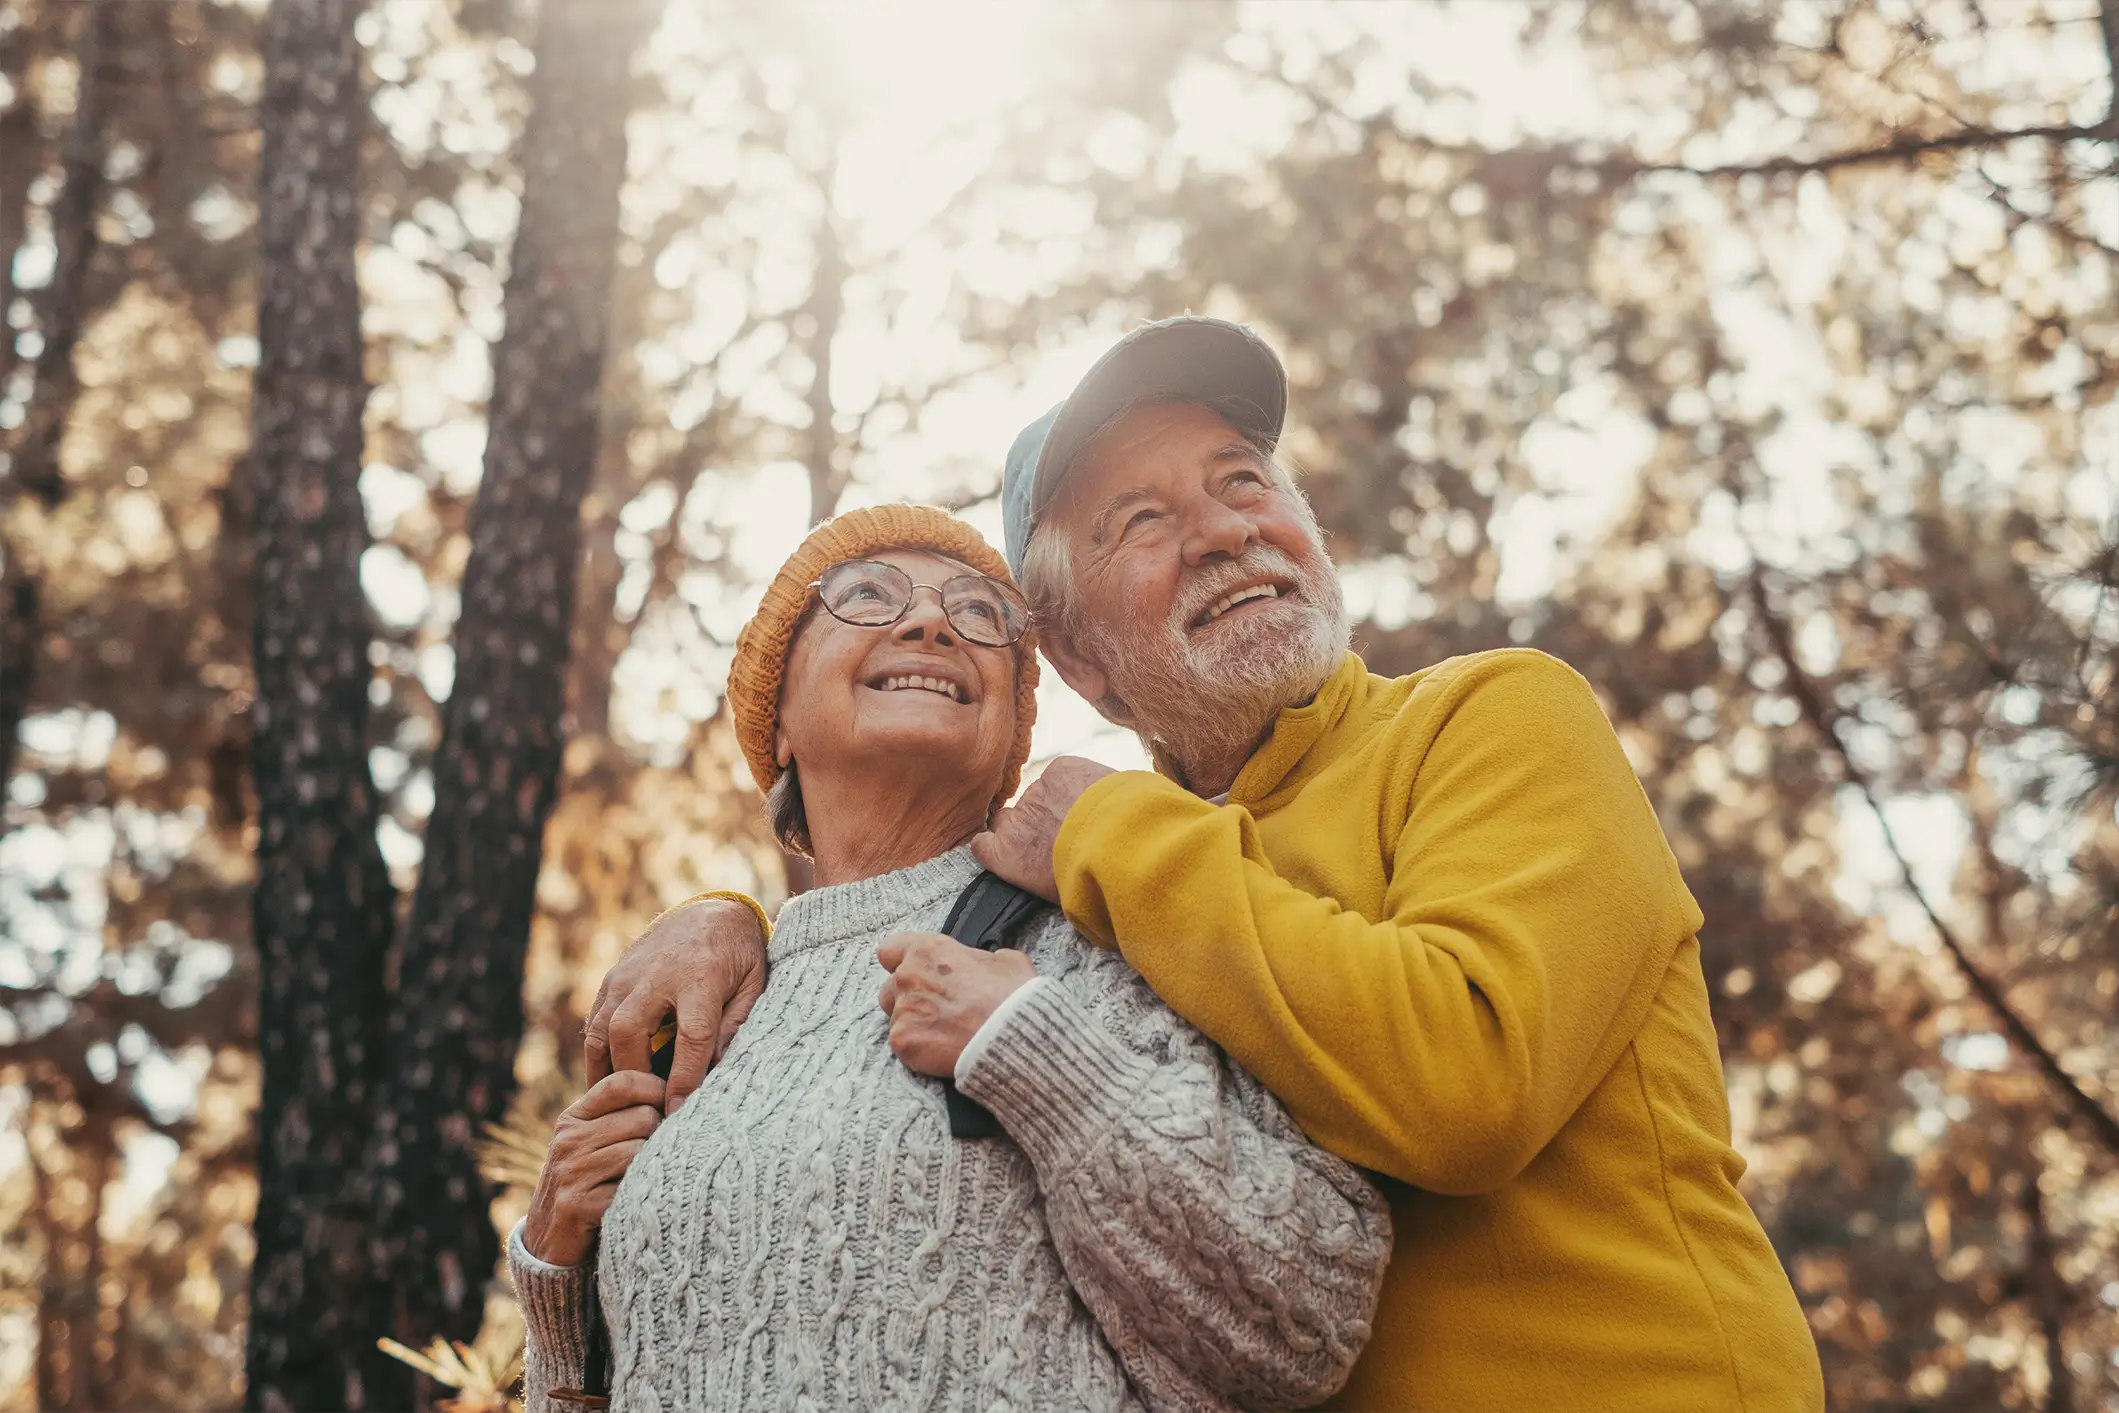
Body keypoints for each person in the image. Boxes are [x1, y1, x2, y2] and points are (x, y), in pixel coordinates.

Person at [593, 319, 1830, 1412]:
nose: (1227, 529)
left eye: (1244, 482)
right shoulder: (1081, 896)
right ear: (1079, 663)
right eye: (1141, 519)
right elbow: (877, 901)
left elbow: (1469, 1086)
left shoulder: (1490, 720)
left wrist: (1113, 836)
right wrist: (729, 919)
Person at [514, 503, 1391, 1413]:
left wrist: (1039, 1052)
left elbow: (1305, 1323)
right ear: (776, 720)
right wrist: (556, 1301)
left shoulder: (1103, 941)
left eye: (979, 615)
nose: (932, 623)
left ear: (1010, 733)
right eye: (864, 595)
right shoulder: (704, 1011)